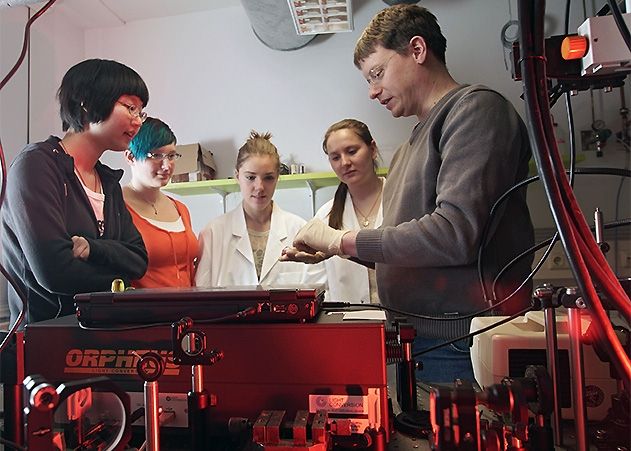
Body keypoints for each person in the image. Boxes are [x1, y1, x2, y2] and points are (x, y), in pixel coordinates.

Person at [282, 5, 534, 383]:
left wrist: (342, 239)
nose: (372, 91)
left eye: (378, 73)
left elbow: (453, 235)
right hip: (416, 342)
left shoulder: (475, 111)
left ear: (417, 50)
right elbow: (411, 252)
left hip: (462, 344)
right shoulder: (406, 150)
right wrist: (340, 249)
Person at [1, 59, 149, 328]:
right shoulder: (36, 165)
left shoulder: (108, 181)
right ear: (87, 103)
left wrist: (92, 248)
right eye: (130, 107)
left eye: (141, 112)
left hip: (99, 336)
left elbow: (138, 260)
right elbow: (54, 272)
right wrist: (120, 282)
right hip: (42, 340)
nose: (137, 120)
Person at [195, 131, 325, 288]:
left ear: (277, 177)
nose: (259, 187)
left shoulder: (300, 230)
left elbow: (317, 293)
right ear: (237, 176)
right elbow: (201, 297)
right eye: (250, 177)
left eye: (268, 177)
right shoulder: (213, 233)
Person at [123, 117, 198, 288]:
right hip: (144, 312)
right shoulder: (116, 208)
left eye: (171, 155)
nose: (167, 165)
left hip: (190, 312)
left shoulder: (180, 209)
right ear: (130, 157)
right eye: (156, 155)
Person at [316, 119, 385, 304]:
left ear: (372, 149)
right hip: (348, 324)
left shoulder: (402, 200)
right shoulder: (325, 216)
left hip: (405, 321)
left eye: (352, 151)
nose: (345, 162)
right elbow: (320, 286)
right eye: (335, 157)